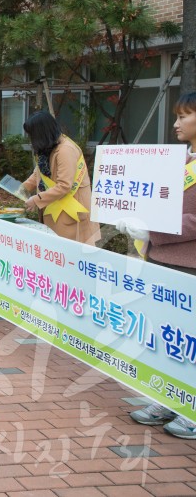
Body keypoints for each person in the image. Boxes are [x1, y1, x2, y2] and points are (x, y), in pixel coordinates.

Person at [121, 91, 196, 440]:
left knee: (191, 338)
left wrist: (154, 228)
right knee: (167, 336)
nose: (176, 123)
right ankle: (168, 398)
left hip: (189, 264)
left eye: (184, 116)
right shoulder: (179, 160)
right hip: (160, 259)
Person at [21, 111, 100, 245]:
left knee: (69, 254)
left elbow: (64, 185)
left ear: (42, 134)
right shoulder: (49, 147)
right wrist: (22, 188)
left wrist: (36, 199)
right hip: (56, 208)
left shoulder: (65, 150)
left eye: (32, 135)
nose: (31, 139)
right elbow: (39, 173)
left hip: (71, 211)